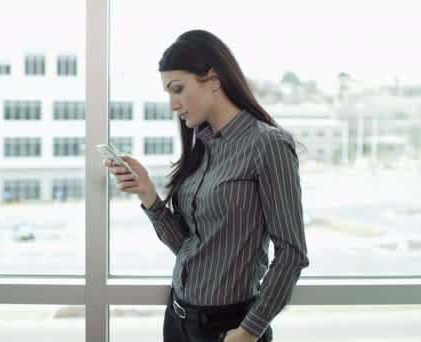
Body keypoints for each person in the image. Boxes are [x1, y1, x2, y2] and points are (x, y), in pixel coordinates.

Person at [103, 29, 309, 342]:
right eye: (168, 94)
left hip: (228, 328)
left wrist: (248, 331)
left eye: (178, 89)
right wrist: (147, 193)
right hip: (178, 318)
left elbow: (292, 253)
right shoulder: (202, 146)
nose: (173, 104)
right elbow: (190, 248)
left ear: (212, 78)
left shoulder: (268, 145)